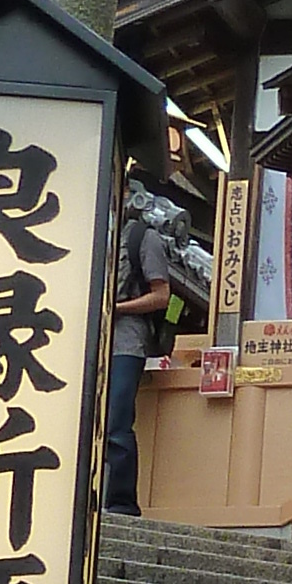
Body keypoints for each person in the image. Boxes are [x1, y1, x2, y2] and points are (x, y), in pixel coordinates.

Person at [102, 191, 179, 513]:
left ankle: (121, 504)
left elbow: (162, 296)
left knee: (116, 423)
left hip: (126, 342)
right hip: (87, 341)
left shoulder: (142, 238)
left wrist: (114, 308)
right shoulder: (86, 238)